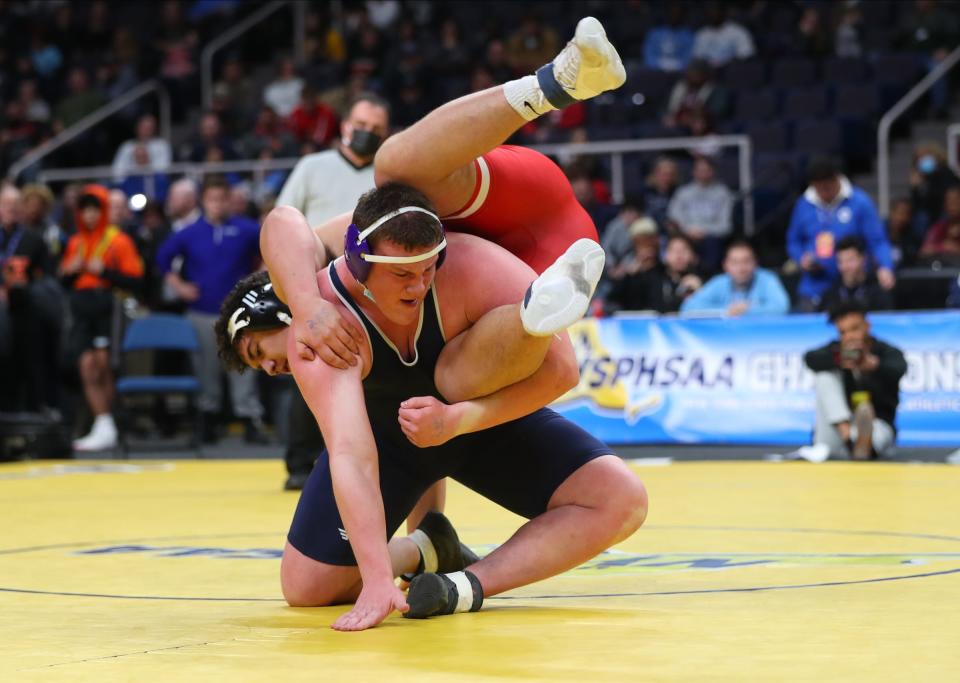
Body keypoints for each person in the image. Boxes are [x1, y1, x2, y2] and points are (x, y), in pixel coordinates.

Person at [218, 16, 646, 631]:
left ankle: (557, 84)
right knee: (308, 584)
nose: (274, 366)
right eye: (263, 366)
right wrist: (374, 580)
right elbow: (352, 453)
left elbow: (281, 223)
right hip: (435, 381)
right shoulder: (330, 310)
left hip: (519, 252)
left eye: (263, 350)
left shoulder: (405, 262)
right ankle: (447, 571)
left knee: (398, 174)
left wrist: (459, 421)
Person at [274, 92, 391, 490]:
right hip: (316, 282)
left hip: (374, 288)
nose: (366, 134)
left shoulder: (388, 170)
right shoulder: (313, 166)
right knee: (308, 367)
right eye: (361, 125)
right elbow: (284, 217)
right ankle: (299, 463)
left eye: (376, 130)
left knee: (367, 375)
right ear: (344, 126)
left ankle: (369, 462)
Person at [156, 176, 266, 444]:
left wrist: (259, 278)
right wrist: (179, 286)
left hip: (239, 312)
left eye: (222, 199)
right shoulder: (190, 232)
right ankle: (207, 416)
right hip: (202, 309)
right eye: (212, 199)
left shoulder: (246, 229)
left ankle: (249, 417)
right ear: (203, 201)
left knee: (246, 363)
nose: (217, 205)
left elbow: (270, 248)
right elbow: (162, 258)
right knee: (205, 366)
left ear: (230, 200)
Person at [59, 185, 144, 450]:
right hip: (81, 308)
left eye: (95, 210)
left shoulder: (118, 240)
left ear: (104, 211)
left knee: (105, 365)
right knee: (86, 366)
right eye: (85, 210)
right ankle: (103, 422)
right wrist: (69, 272)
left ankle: (112, 424)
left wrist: (105, 271)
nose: (90, 216)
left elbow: (135, 279)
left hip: (107, 306)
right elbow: (62, 278)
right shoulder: (76, 242)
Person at [787, 157, 894, 311]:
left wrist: (885, 266)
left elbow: (877, 241)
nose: (823, 193)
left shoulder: (860, 202)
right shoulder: (803, 204)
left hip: (854, 288)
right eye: (818, 188)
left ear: (837, 178)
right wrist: (801, 258)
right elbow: (793, 241)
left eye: (827, 187)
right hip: (814, 289)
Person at [803, 301, 906, 460]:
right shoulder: (835, 351)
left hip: (876, 424)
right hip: (839, 430)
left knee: (877, 434)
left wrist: (874, 366)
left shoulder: (884, 351)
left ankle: (863, 446)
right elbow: (810, 358)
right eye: (843, 332)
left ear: (867, 325)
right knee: (824, 376)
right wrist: (839, 360)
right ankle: (850, 440)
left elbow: (899, 368)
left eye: (854, 329)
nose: (849, 336)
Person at [681, 240, 789, 316]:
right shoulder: (719, 282)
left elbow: (781, 307)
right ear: (725, 265)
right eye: (735, 262)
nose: (741, 268)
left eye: (746, 261)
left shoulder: (767, 279)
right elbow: (688, 308)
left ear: (755, 263)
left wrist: (748, 310)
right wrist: (726, 310)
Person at [605, 233, 702, 315]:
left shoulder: (703, 280)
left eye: (684, 250)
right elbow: (618, 299)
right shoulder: (655, 277)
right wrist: (631, 275)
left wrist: (701, 292)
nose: (679, 256)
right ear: (666, 255)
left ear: (693, 255)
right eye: (674, 251)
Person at [667, 155, 734, 271]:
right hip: (685, 234)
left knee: (712, 244)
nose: (703, 173)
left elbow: (726, 226)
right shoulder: (683, 192)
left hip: (711, 238)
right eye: (699, 170)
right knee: (678, 243)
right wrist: (689, 230)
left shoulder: (723, 193)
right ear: (693, 172)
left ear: (713, 172)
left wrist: (703, 231)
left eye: (706, 170)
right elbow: (674, 217)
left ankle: (707, 276)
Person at [819, 237, 894, 313]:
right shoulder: (831, 295)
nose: (845, 267)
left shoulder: (878, 294)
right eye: (840, 261)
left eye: (850, 260)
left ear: (863, 259)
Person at [111, 114, 172, 183]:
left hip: (155, 184)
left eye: (149, 128)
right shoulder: (127, 146)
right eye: (143, 127)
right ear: (137, 128)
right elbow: (117, 172)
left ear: (154, 129)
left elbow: (164, 170)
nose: (146, 130)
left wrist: (146, 164)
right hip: (129, 184)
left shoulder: (162, 145)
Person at [918, 185, 960, 265]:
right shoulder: (938, 227)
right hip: (941, 272)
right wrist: (944, 247)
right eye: (948, 200)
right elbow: (924, 251)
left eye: (956, 199)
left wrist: (955, 248)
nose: (952, 204)